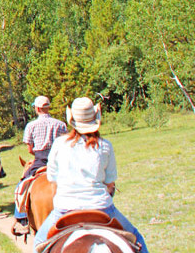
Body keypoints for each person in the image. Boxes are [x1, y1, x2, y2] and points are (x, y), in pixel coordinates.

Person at [33, 97, 148, 253]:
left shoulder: (59, 144)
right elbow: (110, 183)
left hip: (65, 208)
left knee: (39, 242)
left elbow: (52, 179)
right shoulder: (105, 146)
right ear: (96, 119)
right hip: (101, 208)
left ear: (72, 120)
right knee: (137, 238)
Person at [13, 96, 67, 233]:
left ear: (37, 109)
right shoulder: (61, 124)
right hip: (59, 162)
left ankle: (22, 219)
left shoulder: (31, 126)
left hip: (40, 160)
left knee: (22, 185)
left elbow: (30, 149)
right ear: (48, 107)